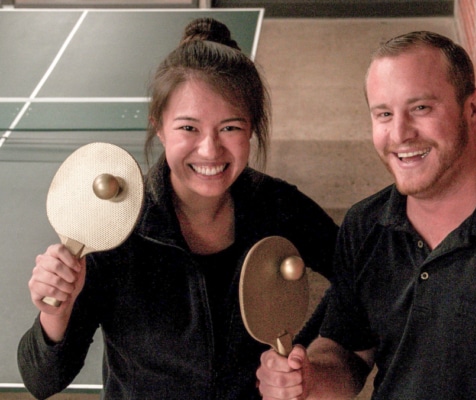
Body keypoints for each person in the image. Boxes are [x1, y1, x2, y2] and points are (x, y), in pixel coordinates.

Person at [17, 17, 338, 400]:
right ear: (159, 126)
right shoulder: (115, 227)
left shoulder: (278, 207)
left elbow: (359, 279)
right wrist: (56, 311)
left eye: (230, 128)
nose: (209, 150)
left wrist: (307, 355)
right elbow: (41, 381)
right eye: (189, 128)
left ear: (252, 128)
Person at [256, 30, 476, 400]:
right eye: (384, 114)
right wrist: (308, 378)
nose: (399, 134)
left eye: (421, 108)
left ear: (473, 106)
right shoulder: (365, 226)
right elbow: (348, 352)